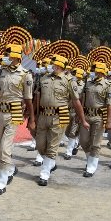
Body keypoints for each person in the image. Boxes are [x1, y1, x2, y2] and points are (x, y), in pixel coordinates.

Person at [0, 41, 35, 196]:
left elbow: (28, 99)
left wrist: (32, 118)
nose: (6, 57)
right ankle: (11, 168)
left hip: (14, 114)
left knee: (5, 149)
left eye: (9, 55)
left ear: (15, 56)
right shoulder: (2, 71)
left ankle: (1, 183)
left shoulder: (25, 74)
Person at [35, 53, 88, 186]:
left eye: (56, 64)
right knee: (40, 145)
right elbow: (37, 97)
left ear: (62, 66)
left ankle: (44, 174)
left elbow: (76, 101)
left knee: (52, 147)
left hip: (60, 116)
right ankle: (51, 164)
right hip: (43, 115)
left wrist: (82, 119)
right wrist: (34, 116)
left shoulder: (70, 80)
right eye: (53, 63)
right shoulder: (44, 78)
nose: (54, 66)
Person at [79, 61, 111, 177]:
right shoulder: (88, 83)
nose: (93, 72)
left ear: (101, 72)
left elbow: (109, 104)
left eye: (96, 70)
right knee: (83, 140)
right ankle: (90, 160)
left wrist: (108, 121)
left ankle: (91, 167)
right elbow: (82, 99)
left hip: (99, 117)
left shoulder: (108, 85)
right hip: (87, 115)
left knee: (95, 143)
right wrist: (81, 115)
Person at [63, 66, 86, 160]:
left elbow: (83, 100)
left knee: (72, 132)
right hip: (68, 110)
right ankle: (76, 142)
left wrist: (80, 114)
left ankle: (68, 152)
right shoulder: (70, 83)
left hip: (76, 111)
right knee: (66, 132)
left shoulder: (84, 86)